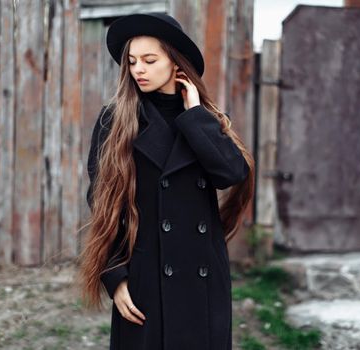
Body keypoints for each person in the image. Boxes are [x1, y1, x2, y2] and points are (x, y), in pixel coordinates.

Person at [77, 12, 255, 350]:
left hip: (203, 279)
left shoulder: (206, 118)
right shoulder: (115, 120)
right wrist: (114, 277)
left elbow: (231, 174)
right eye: (131, 61)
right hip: (146, 273)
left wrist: (193, 117)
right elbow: (101, 204)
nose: (138, 70)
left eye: (149, 60)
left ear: (175, 62)